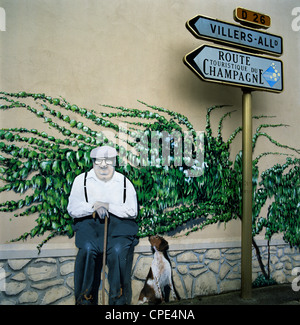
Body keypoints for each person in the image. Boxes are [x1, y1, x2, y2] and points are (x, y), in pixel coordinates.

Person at [67, 145, 139, 305]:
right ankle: (84, 301)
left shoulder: (124, 182)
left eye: (108, 161)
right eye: (99, 161)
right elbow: (72, 209)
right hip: (89, 231)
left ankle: (118, 303)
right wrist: (93, 206)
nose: (104, 165)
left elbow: (133, 211)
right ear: (93, 162)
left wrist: (108, 206)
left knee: (119, 254)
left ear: (114, 163)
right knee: (86, 251)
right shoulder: (81, 180)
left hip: (119, 232)